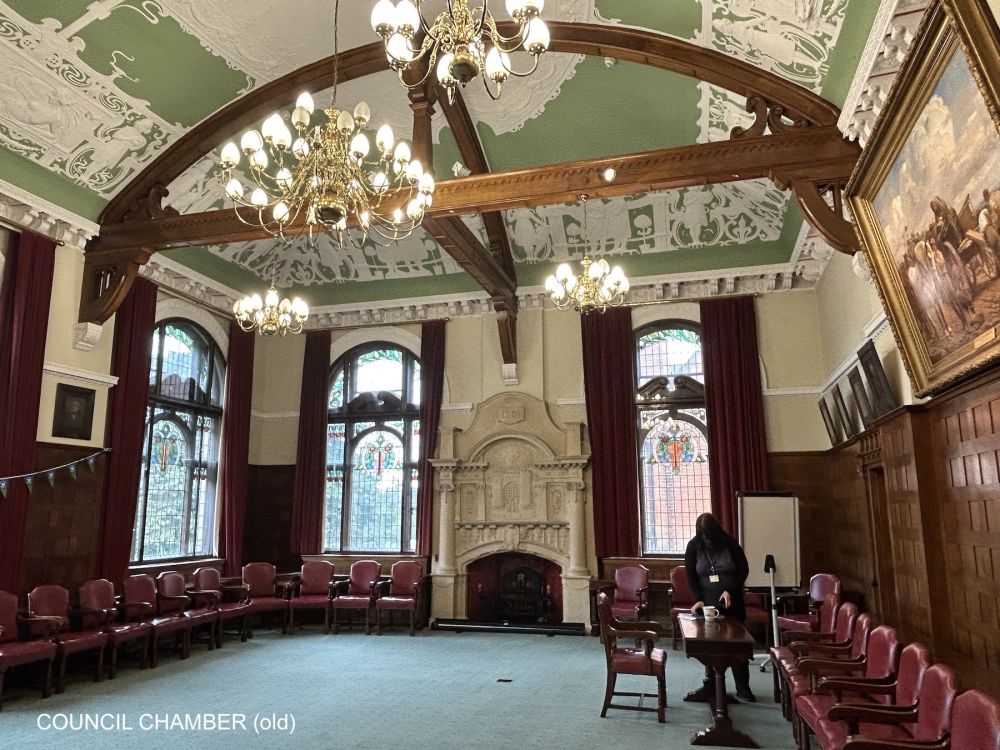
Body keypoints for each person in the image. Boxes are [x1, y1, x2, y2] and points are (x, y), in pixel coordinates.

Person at [684, 512, 755, 702]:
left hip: (731, 602)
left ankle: (743, 688)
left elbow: (743, 569)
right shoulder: (693, 546)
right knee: (710, 646)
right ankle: (712, 686)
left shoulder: (730, 543)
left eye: (709, 536)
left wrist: (730, 590)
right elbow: (691, 575)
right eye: (704, 537)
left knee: (736, 646)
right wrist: (698, 598)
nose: (707, 540)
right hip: (707, 603)